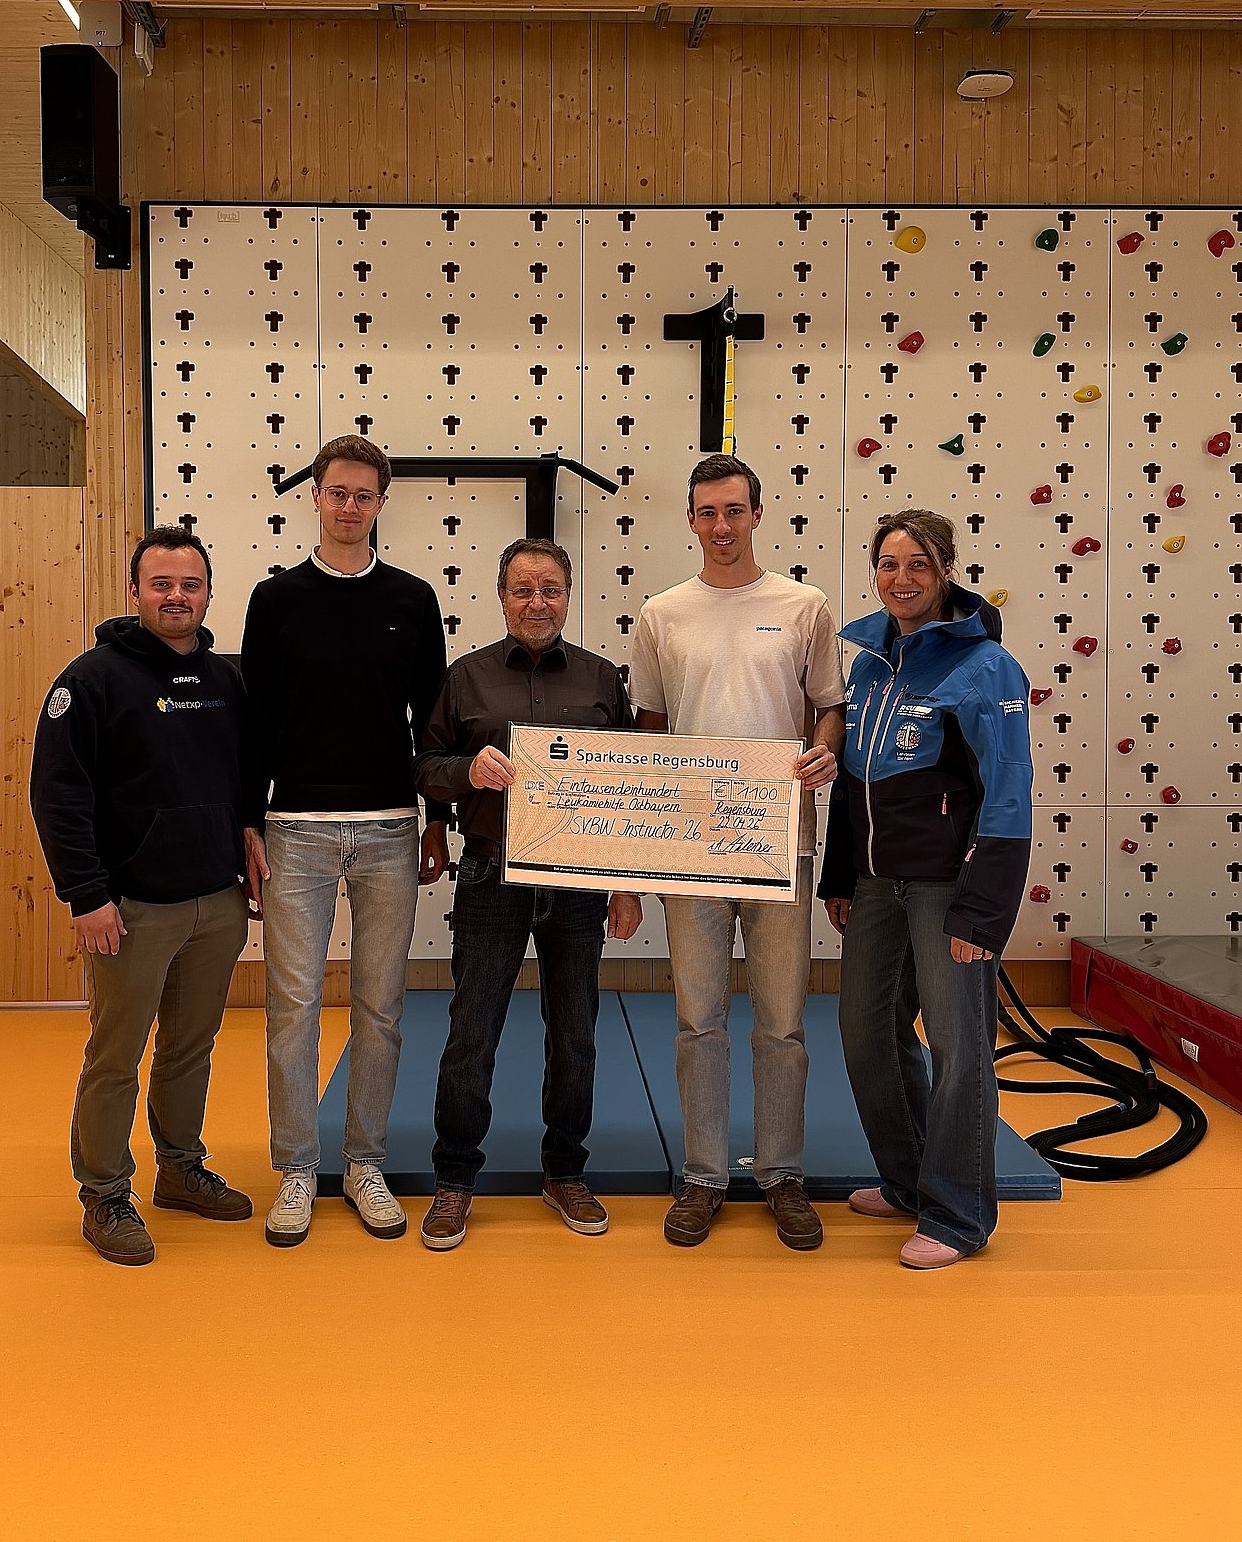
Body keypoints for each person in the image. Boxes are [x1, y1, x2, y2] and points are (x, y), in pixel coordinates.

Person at [629, 455, 846, 1251]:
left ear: (757, 514)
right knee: (698, 1019)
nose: (721, 526)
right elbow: (649, 727)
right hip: (691, 845)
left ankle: (782, 1173)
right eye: (707, 512)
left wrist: (826, 750)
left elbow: (828, 707)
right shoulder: (662, 614)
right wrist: (646, 839)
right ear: (690, 520)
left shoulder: (804, 606)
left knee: (783, 1021)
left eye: (733, 511)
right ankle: (704, 1175)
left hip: (779, 838)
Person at [240, 435, 449, 1248]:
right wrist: (247, 821)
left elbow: (432, 724)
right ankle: (297, 1167)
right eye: (338, 493)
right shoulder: (274, 599)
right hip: (295, 831)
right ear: (316, 498)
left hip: (392, 828)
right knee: (292, 1010)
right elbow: (256, 720)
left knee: (381, 1008)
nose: (350, 506)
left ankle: (364, 1164)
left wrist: (437, 820)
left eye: (364, 495)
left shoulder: (413, 598)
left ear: (381, 503)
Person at [30, 526, 256, 1266]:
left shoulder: (225, 680)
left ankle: (181, 1169)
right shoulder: (90, 681)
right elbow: (58, 795)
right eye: (161, 584)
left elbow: (244, 776)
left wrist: (247, 833)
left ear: (207, 594)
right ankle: (103, 1193)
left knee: (190, 1049)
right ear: (134, 592)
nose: (176, 597)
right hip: (129, 910)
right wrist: (86, 895)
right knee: (116, 1055)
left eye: (190, 585)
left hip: (216, 903)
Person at [413, 539, 644, 1250]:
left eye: (550, 590)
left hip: (578, 881)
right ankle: (455, 1179)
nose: (536, 603)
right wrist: (466, 772)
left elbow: (632, 787)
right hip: (491, 872)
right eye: (522, 590)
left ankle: (565, 1171)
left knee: (575, 1032)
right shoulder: (466, 677)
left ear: (568, 596)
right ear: (501, 596)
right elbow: (424, 765)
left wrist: (626, 886)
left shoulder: (603, 678)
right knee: (472, 1030)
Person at [819, 510, 1033, 1270]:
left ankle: (959, 1214)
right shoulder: (868, 664)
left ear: (946, 570)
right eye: (887, 563)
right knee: (865, 1031)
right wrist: (840, 875)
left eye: (917, 564)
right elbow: (852, 785)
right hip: (876, 883)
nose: (901, 578)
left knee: (958, 1047)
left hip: (949, 888)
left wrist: (984, 910)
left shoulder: (986, 668)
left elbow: (1008, 793)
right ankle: (909, 1180)